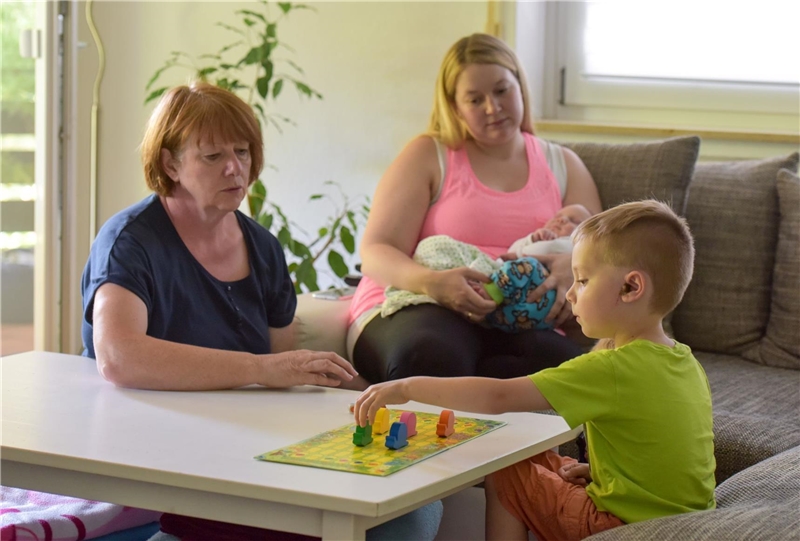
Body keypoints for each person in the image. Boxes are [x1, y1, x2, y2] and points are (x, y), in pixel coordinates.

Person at [77, 82, 441, 541]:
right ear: (170, 163)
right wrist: (261, 369)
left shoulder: (263, 247)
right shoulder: (130, 242)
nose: (235, 168)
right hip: (156, 450)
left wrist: (380, 396)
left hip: (244, 447)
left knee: (415, 511)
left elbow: (281, 379)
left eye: (243, 151)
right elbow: (119, 357)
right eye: (212, 157)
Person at [353, 200, 717, 541]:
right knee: (530, 454)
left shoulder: (611, 367)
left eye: (584, 280)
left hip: (621, 528)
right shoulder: (685, 361)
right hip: (680, 525)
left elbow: (498, 396)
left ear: (630, 287)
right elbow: (666, 456)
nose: (571, 293)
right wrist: (600, 473)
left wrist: (406, 388)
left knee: (506, 465)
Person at [347, 33, 602, 383]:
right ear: (454, 107)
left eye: (501, 91)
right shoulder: (428, 154)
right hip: (417, 302)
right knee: (430, 358)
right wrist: (432, 283)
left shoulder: (564, 164)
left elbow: (604, 254)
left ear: (520, 87)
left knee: (579, 375)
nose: (492, 108)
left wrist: (569, 270)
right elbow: (376, 251)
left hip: (520, 317)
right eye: (474, 99)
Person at [381, 204, 593, 332]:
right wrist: (531, 238)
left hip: (546, 297)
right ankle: (490, 310)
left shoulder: (574, 245)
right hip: (517, 303)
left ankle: (487, 295)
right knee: (517, 269)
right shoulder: (539, 239)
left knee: (523, 269)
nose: (562, 220)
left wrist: (574, 257)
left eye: (574, 221)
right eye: (558, 217)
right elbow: (511, 253)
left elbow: (598, 250)